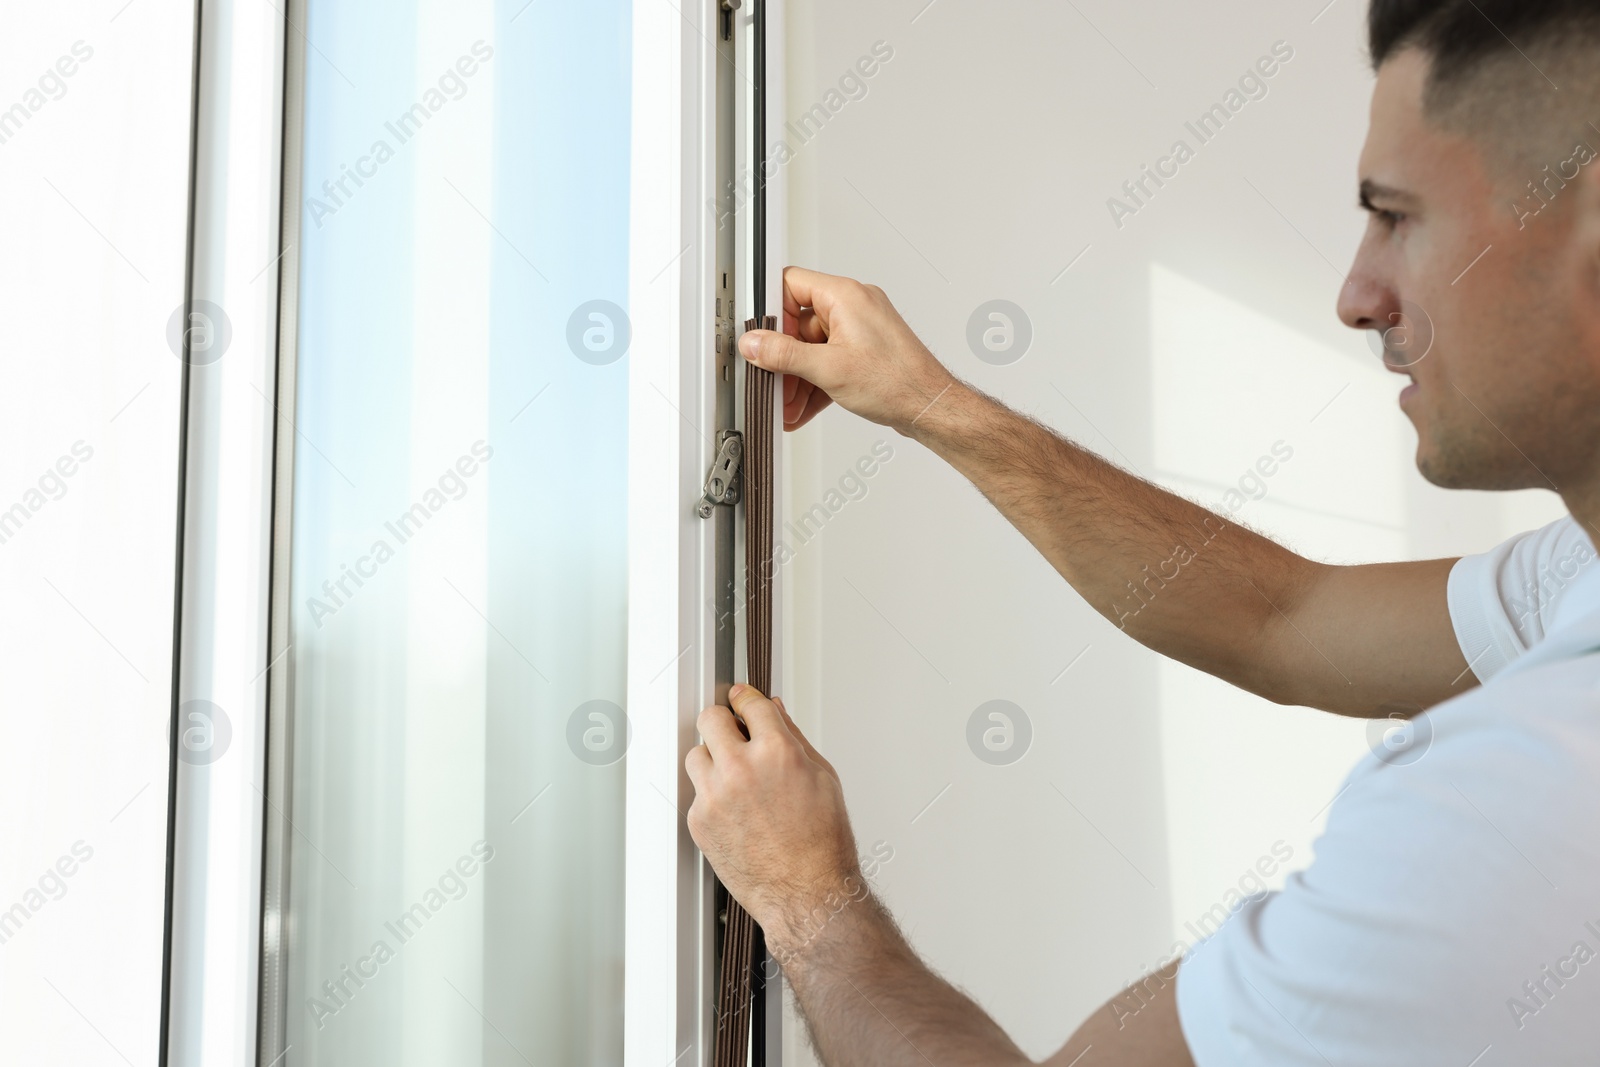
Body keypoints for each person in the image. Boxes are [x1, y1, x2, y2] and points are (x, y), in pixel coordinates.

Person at [684, 1, 1600, 1063]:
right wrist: (930, 402)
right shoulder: (1575, 584)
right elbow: (1284, 617)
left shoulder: (1518, 806)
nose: (1356, 295)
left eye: (1396, 215)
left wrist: (807, 897)